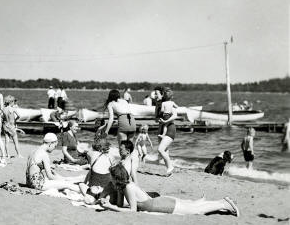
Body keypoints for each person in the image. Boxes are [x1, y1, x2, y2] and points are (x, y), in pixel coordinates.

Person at [98, 164, 239, 216]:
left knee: (196, 211)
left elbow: (132, 210)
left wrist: (110, 206)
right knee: (193, 206)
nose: (110, 180)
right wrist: (111, 198)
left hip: (161, 205)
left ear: (117, 178)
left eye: (112, 178)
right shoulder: (125, 186)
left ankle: (223, 204)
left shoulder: (128, 187)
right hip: (159, 202)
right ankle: (221, 202)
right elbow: (120, 205)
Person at [156, 87, 177, 176]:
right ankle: (169, 171)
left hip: (170, 129)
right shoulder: (161, 104)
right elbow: (157, 119)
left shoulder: (170, 105)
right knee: (165, 150)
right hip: (161, 129)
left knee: (160, 149)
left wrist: (165, 121)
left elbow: (175, 115)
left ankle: (170, 167)